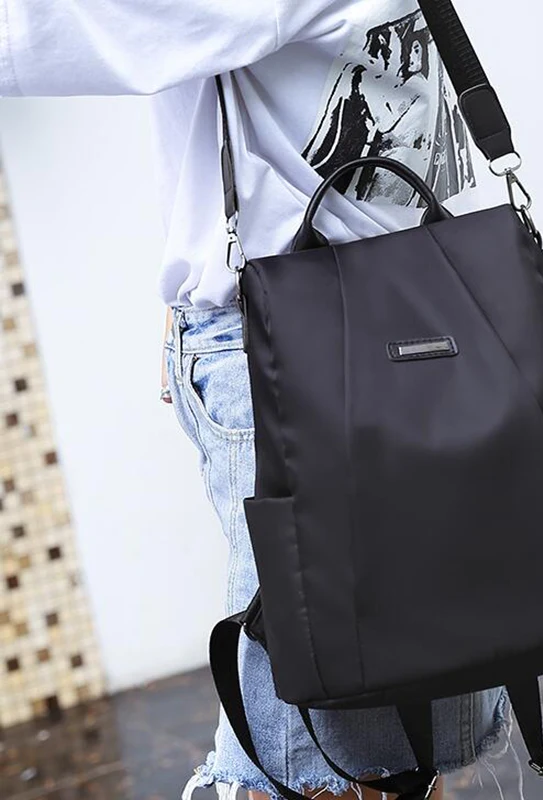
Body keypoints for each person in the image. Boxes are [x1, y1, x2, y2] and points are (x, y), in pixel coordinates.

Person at [1, 2, 511, 798]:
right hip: (414, 316)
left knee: (319, 746)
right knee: (388, 717)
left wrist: (210, 297)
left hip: (296, 350)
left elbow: (34, 37)